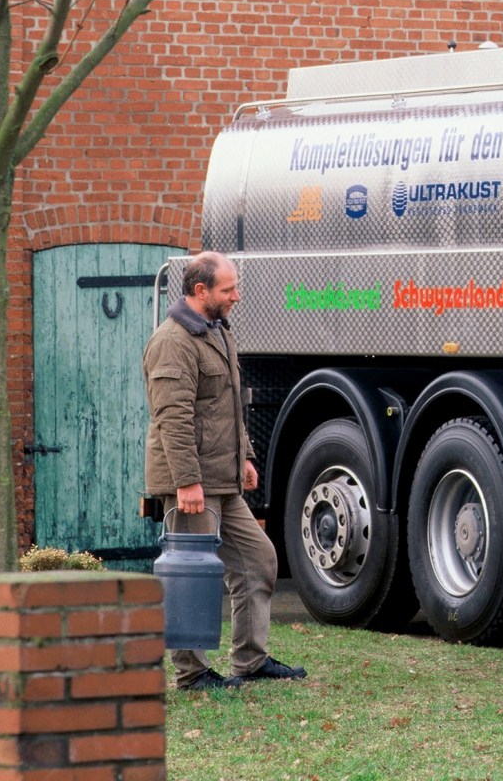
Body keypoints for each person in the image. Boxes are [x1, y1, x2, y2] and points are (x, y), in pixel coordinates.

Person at [143, 251, 306, 691]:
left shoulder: (218, 332)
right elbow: (172, 417)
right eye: (228, 289)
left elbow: (227, 407)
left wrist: (246, 458)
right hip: (192, 483)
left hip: (222, 477)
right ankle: (192, 674)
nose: (237, 296)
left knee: (258, 558)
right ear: (201, 292)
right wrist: (186, 482)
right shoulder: (173, 341)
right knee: (190, 575)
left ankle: (250, 661)